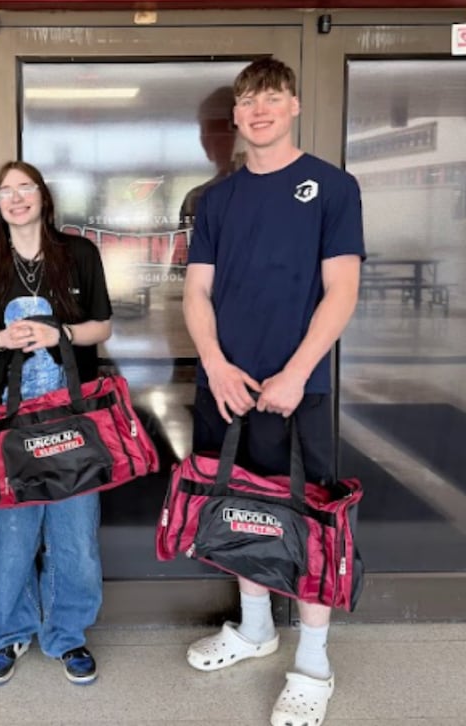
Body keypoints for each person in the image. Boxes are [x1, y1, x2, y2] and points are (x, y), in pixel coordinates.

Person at [181, 58, 364, 726]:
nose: (259, 110)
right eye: (247, 100)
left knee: (311, 520)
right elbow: (196, 291)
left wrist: (296, 372)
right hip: (226, 387)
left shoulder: (332, 187)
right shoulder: (217, 201)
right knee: (238, 511)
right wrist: (216, 363)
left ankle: (313, 665)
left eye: (272, 98)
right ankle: (255, 629)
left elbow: (342, 289)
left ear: (293, 106)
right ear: (235, 117)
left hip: (300, 388)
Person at [0, 160, 112, 686]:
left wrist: (59, 336)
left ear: (43, 196)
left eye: (25, 188)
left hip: (73, 414)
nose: (16, 198)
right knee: (11, 535)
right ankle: (6, 633)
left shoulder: (79, 256)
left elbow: (103, 326)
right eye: (5, 191)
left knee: (75, 536)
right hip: (8, 417)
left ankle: (68, 635)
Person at [178, 85, 239, 230]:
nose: (206, 141)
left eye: (214, 130)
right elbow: (185, 251)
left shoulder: (274, 194)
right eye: (203, 132)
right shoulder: (196, 199)